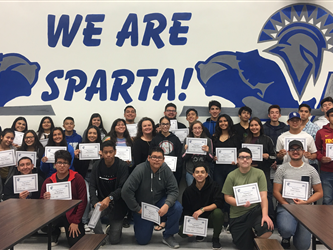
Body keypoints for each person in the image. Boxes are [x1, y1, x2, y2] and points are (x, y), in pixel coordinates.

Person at [121, 147, 182, 248]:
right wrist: (137, 209)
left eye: (159, 158)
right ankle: (142, 226)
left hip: (159, 203)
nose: (157, 160)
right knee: (142, 240)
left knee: (177, 207)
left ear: (163, 159)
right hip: (143, 206)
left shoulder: (166, 169)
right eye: (154, 157)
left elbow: (174, 190)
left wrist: (167, 204)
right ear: (148, 158)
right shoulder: (139, 169)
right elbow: (126, 191)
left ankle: (168, 236)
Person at [273, 140, 323, 249]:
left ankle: (297, 234)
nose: (295, 152)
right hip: (286, 206)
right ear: (288, 152)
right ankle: (286, 236)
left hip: (306, 208)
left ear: (303, 151)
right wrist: (286, 204)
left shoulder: (311, 170)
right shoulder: (281, 169)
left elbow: (319, 192)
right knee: (287, 229)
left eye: (298, 149)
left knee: (303, 246)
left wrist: (306, 202)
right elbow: (276, 191)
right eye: (292, 149)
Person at [222, 148, 274, 250]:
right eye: (242, 157)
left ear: (251, 160)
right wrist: (239, 203)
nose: (245, 160)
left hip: (255, 211)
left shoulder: (259, 173)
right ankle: (249, 236)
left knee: (267, 228)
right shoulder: (231, 176)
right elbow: (227, 197)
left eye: (247, 157)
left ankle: (256, 239)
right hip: (237, 215)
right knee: (245, 247)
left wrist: (265, 215)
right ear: (237, 160)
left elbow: (263, 196)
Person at [40, 150, 87, 247]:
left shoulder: (78, 178)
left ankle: (68, 227)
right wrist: (45, 199)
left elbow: (83, 201)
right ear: (55, 165)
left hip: (72, 215)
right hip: (55, 215)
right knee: (44, 224)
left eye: (65, 163)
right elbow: (41, 204)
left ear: (69, 165)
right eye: (59, 162)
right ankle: (55, 231)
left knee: (76, 244)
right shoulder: (48, 181)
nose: (62, 165)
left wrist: (75, 221)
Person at [89, 141, 129, 244]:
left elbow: (122, 188)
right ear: (101, 153)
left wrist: (110, 197)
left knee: (114, 240)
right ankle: (100, 236)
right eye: (105, 152)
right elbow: (92, 186)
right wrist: (94, 202)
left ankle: (112, 228)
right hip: (102, 202)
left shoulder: (122, 165)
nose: (108, 155)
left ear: (115, 152)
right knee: (92, 214)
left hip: (118, 204)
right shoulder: (97, 166)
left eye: (110, 152)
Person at [179, 165, 224, 250]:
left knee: (218, 213)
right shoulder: (188, 191)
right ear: (193, 175)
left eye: (202, 172)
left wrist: (203, 209)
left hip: (211, 218)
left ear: (206, 174)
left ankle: (215, 238)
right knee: (182, 234)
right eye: (197, 172)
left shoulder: (215, 186)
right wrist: (189, 227)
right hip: (196, 219)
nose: (200, 174)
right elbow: (186, 211)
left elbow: (218, 203)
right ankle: (199, 233)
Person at [244, 117, 276, 219]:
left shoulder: (267, 139)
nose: (254, 127)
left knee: (267, 194)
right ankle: (252, 217)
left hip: (263, 171)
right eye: (252, 125)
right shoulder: (246, 140)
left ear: (260, 126)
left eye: (256, 125)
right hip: (248, 171)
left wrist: (267, 156)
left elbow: (274, 157)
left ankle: (269, 217)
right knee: (250, 195)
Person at [73, 125, 102, 231]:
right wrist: (76, 157)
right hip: (84, 176)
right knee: (87, 198)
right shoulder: (80, 146)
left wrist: (102, 157)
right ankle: (84, 221)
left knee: (96, 198)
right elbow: (76, 166)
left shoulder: (102, 147)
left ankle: (94, 221)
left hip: (97, 177)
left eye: (94, 133)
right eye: (90, 133)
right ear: (86, 134)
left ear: (98, 135)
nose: (92, 135)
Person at [150, 116, 182, 184]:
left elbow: (179, 155)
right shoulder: (155, 139)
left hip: (173, 172)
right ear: (159, 125)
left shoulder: (175, 139)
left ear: (170, 125)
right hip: (158, 170)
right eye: (163, 124)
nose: (165, 126)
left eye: (167, 124)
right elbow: (151, 154)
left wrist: (176, 167)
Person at [182, 120, 214, 186]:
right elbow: (183, 157)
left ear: (202, 129)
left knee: (206, 192)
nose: (197, 130)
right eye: (195, 128)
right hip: (191, 171)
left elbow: (211, 158)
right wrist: (187, 151)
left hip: (205, 171)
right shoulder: (187, 140)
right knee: (192, 192)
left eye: (199, 128)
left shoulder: (208, 140)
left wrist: (207, 152)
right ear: (191, 130)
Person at [315, 107, 333, 205]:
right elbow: (316, 150)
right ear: (327, 117)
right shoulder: (321, 132)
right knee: (327, 200)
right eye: (332, 115)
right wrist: (321, 158)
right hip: (326, 171)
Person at [298, 103, 320, 170]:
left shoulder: (315, 128)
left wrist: (312, 155)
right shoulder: (293, 127)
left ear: (309, 114)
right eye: (301, 111)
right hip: (295, 161)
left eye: (306, 111)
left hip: (311, 162)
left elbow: (319, 146)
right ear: (298, 112)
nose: (303, 113)